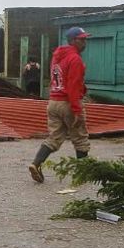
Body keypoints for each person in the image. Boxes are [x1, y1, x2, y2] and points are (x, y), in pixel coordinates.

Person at [28, 27, 92, 183]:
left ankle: (36, 164)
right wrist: (76, 109)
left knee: (54, 137)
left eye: (85, 39)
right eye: (81, 39)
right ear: (72, 41)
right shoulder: (75, 59)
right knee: (80, 138)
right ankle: (83, 173)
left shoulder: (57, 57)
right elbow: (73, 85)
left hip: (53, 101)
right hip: (68, 102)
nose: (85, 42)